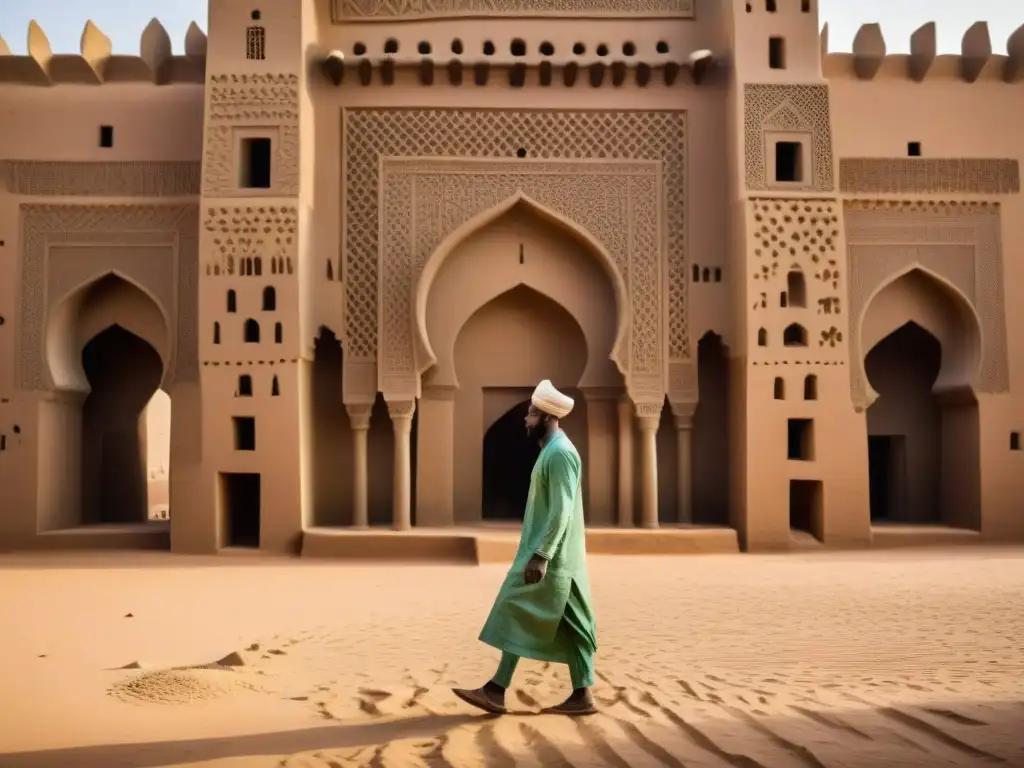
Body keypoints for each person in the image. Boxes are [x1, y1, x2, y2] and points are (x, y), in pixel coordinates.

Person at [453, 379, 598, 716]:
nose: (526, 419)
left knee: (515, 606)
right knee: (574, 625)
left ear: (548, 417)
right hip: (562, 557)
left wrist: (542, 554)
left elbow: (561, 510)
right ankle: (581, 695)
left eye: (532, 414)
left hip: (555, 558)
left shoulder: (561, 454)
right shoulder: (552, 450)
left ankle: (496, 689)